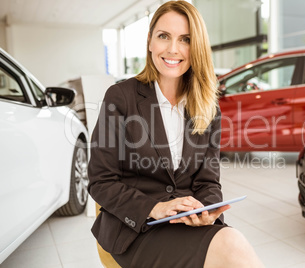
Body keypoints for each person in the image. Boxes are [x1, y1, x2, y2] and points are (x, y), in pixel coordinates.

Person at [88, 1, 264, 267]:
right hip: (136, 228)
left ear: (197, 47)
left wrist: (208, 211)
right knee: (232, 248)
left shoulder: (207, 106)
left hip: (188, 226)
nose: (173, 49)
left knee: (232, 243)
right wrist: (153, 208)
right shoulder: (121, 96)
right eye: (164, 36)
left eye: (185, 39)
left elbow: (208, 181)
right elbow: (101, 180)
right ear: (150, 42)